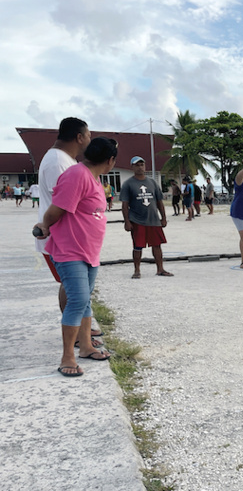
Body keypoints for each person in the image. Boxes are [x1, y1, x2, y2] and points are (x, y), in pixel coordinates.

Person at [34, 137, 117, 377]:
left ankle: (86, 347)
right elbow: (55, 209)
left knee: (85, 299)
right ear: (110, 161)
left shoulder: (93, 178)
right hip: (70, 250)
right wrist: (45, 225)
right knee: (78, 300)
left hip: (88, 250)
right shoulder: (77, 175)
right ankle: (67, 357)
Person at [36, 118, 94, 328]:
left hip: (69, 238)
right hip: (61, 239)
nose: (90, 140)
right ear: (79, 137)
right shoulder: (57, 162)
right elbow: (62, 203)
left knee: (73, 286)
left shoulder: (64, 160)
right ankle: (76, 333)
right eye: (88, 135)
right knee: (71, 287)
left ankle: (80, 330)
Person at [120, 156, 173, 279]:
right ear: (132, 167)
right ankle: (137, 270)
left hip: (153, 220)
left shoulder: (152, 182)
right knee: (138, 246)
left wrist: (163, 217)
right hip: (137, 220)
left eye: (142, 165)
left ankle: (160, 269)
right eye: (137, 165)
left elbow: (159, 201)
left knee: (157, 245)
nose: (140, 167)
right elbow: (125, 204)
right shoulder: (128, 184)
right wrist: (127, 221)